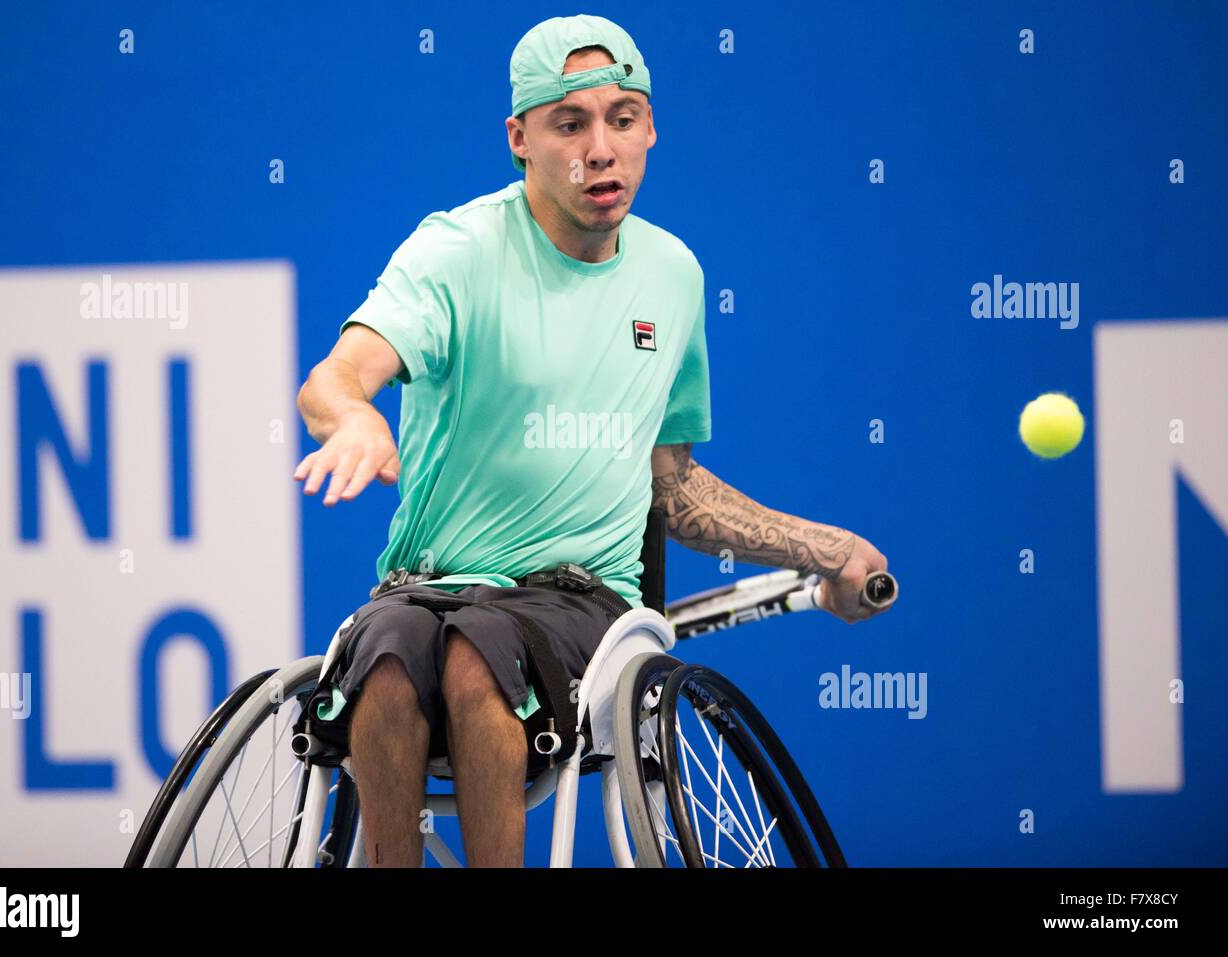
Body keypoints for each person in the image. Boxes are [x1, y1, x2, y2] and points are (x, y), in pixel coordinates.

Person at [294, 14, 890, 867]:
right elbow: (335, 377)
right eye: (569, 123)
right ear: (520, 140)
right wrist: (354, 415)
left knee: (478, 659)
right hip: (426, 585)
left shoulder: (673, 276)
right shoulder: (454, 252)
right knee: (385, 659)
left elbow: (670, 482)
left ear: (650, 127)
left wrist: (824, 547)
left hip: (581, 603)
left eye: (621, 118)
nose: (599, 149)